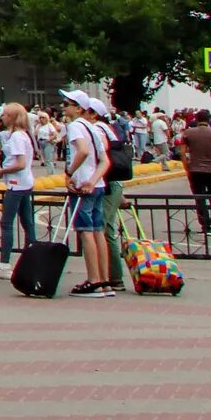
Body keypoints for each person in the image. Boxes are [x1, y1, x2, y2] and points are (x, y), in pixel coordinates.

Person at [63, 99, 116, 297]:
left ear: (79, 108)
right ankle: (104, 280)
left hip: (81, 187)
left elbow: (83, 151)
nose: (63, 107)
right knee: (98, 230)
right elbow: (105, 161)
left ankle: (93, 281)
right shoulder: (94, 128)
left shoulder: (76, 126)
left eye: (67, 103)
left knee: (85, 232)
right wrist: (94, 181)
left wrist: (70, 172)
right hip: (97, 185)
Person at [0, 101, 38, 266]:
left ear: (11, 117)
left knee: (6, 223)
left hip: (16, 183)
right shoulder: (21, 135)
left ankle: (4, 262)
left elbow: (20, 163)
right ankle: (32, 258)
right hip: (24, 182)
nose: (2, 118)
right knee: (27, 221)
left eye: (5, 115)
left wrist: (2, 171)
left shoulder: (18, 137)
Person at [176, 107, 211, 234]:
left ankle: (206, 226)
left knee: (200, 198)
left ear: (196, 119)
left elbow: (182, 153)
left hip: (196, 169)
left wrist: (187, 167)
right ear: (209, 119)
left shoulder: (188, 133)